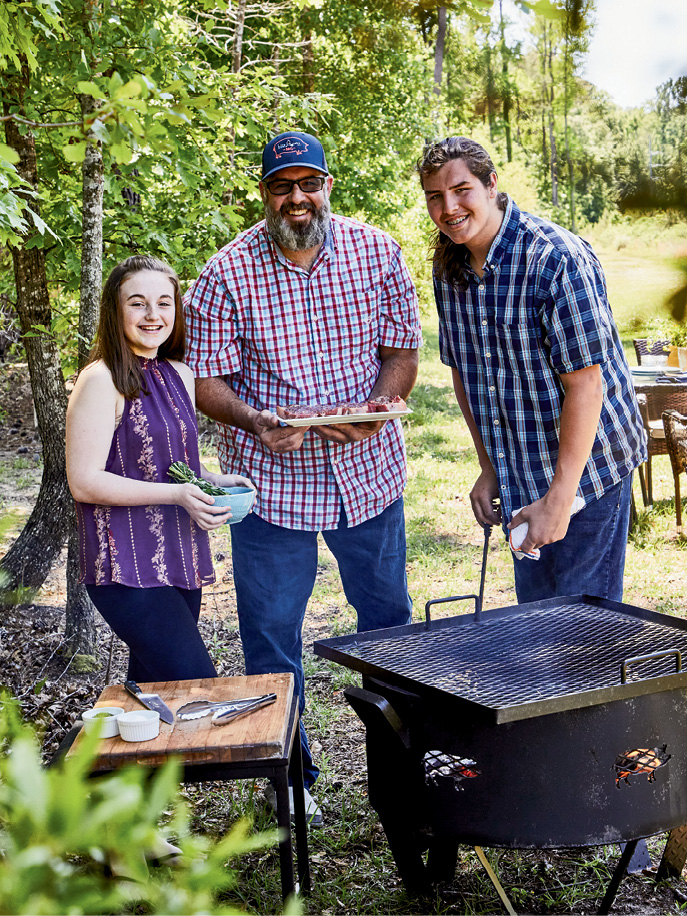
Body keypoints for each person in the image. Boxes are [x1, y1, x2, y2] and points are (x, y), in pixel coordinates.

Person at [184, 130, 423, 822]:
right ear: (263, 194)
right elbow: (208, 382)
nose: (296, 198)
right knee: (269, 633)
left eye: (307, 183)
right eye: (281, 185)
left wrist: (380, 407)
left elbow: (400, 352)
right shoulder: (225, 271)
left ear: (327, 185)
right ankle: (290, 777)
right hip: (271, 480)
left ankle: (400, 764)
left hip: (366, 472)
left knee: (387, 623)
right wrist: (255, 419)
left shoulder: (377, 252)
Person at [417, 136, 647, 604]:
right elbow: (465, 373)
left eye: (461, 190)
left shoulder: (554, 259)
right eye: (435, 197)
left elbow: (586, 383)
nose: (449, 207)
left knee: (584, 632)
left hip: (589, 472)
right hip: (521, 469)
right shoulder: (449, 271)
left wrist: (560, 500)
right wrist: (488, 467)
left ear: (491, 185)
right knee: (538, 622)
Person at [66, 255, 254, 684]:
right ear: (115, 311)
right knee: (195, 685)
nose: (153, 315)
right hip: (124, 566)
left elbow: (172, 466)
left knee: (156, 697)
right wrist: (178, 495)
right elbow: (84, 480)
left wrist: (213, 480)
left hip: (179, 552)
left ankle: (104, 754)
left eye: (164, 303)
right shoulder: (100, 379)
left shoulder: (179, 374)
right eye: (137, 303)